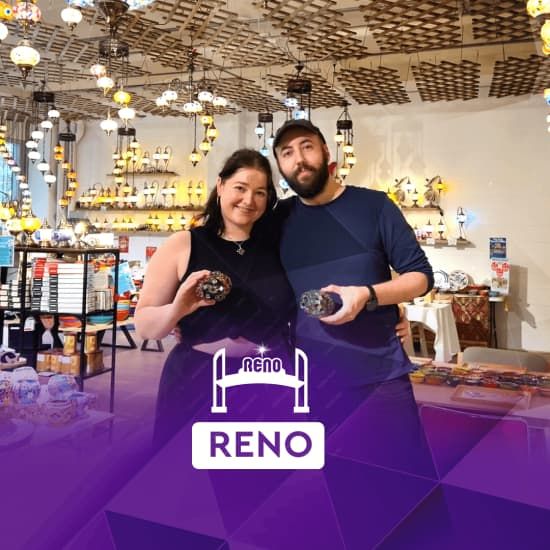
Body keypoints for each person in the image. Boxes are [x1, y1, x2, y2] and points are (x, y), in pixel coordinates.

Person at [135, 147, 412, 447]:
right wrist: (177, 309)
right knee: (189, 473)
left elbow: (334, 285)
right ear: (221, 185)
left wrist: (387, 311)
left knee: (263, 475)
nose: (248, 200)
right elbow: (145, 326)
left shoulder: (281, 246)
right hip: (197, 382)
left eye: (260, 193)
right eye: (240, 188)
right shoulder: (183, 244)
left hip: (270, 383)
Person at [272, 119, 436, 477]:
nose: (299, 159)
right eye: (287, 153)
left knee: (409, 486)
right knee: (339, 489)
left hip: (381, 377)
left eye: (307, 146)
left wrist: (369, 295)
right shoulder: (278, 219)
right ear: (280, 167)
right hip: (315, 382)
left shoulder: (374, 206)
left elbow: (421, 277)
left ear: (325, 151)